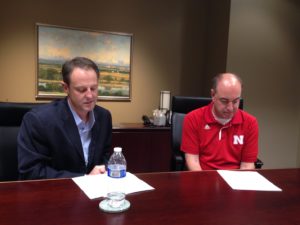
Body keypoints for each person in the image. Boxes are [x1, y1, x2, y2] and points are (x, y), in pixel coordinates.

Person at [18, 57, 112, 179]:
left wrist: (103, 170)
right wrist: (85, 179)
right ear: (65, 88)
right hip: (54, 193)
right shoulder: (38, 120)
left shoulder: (104, 117)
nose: (90, 95)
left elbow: (104, 156)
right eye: (81, 89)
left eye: (93, 88)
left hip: (94, 193)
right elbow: (31, 172)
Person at [181, 73, 258, 170]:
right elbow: (193, 161)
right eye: (224, 101)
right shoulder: (193, 118)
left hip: (235, 179)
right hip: (204, 176)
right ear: (213, 95)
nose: (230, 108)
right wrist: (203, 183)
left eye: (235, 101)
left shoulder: (250, 123)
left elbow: (247, 165)